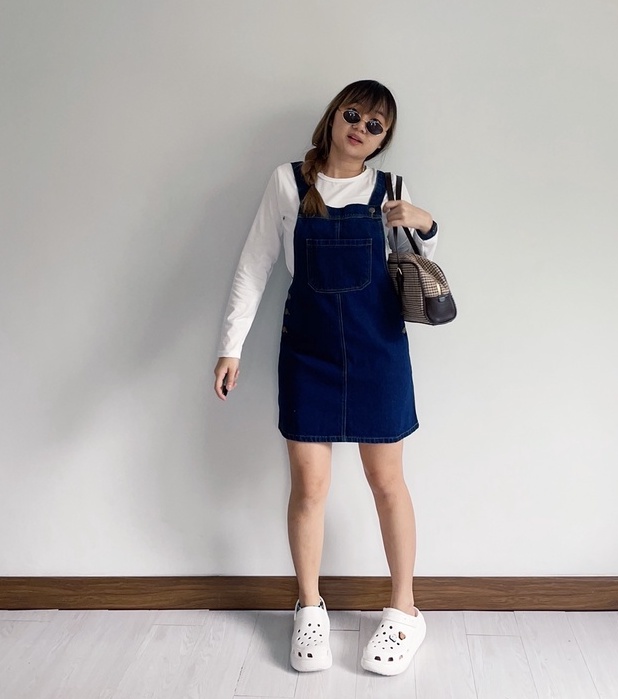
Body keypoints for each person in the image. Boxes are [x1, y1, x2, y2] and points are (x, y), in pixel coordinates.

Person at [213, 80, 439, 676]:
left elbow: (422, 253)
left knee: (386, 483)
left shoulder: (391, 190)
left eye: (375, 126)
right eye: (354, 114)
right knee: (309, 488)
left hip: (378, 354)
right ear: (335, 116)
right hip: (308, 354)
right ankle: (309, 607)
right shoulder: (288, 182)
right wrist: (231, 347)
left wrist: (427, 221)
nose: (361, 128)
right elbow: (255, 264)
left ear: (383, 141)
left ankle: (405, 611)